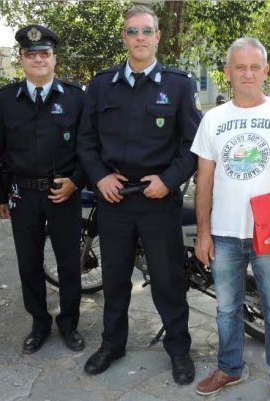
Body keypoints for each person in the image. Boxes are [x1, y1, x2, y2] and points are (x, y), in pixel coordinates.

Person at [77, 4, 201, 385]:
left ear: (157, 36)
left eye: (147, 31)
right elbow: (85, 141)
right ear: (124, 37)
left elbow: (193, 145)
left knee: (167, 279)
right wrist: (100, 178)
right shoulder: (102, 85)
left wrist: (168, 180)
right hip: (114, 199)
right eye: (133, 31)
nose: (140, 37)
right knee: (115, 278)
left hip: (157, 200)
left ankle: (178, 348)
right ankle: (112, 344)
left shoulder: (179, 85)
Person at [191, 37, 270, 401]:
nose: (247, 74)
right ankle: (229, 368)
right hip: (224, 233)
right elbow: (204, 180)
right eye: (240, 67)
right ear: (227, 72)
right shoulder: (212, 119)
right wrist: (203, 233)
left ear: (265, 71)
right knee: (227, 309)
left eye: (254, 67)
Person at [0, 25, 86, 355]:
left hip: (64, 193)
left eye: (44, 53)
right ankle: (39, 323)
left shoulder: (75, 98)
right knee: (28, 263)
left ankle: (69, 323)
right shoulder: (6, 100)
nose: (38, 59)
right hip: (23, 195)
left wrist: (76, 181)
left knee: (69, 263)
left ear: (54, 58)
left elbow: (88, 146)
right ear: (21, 58)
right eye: (31, 54)